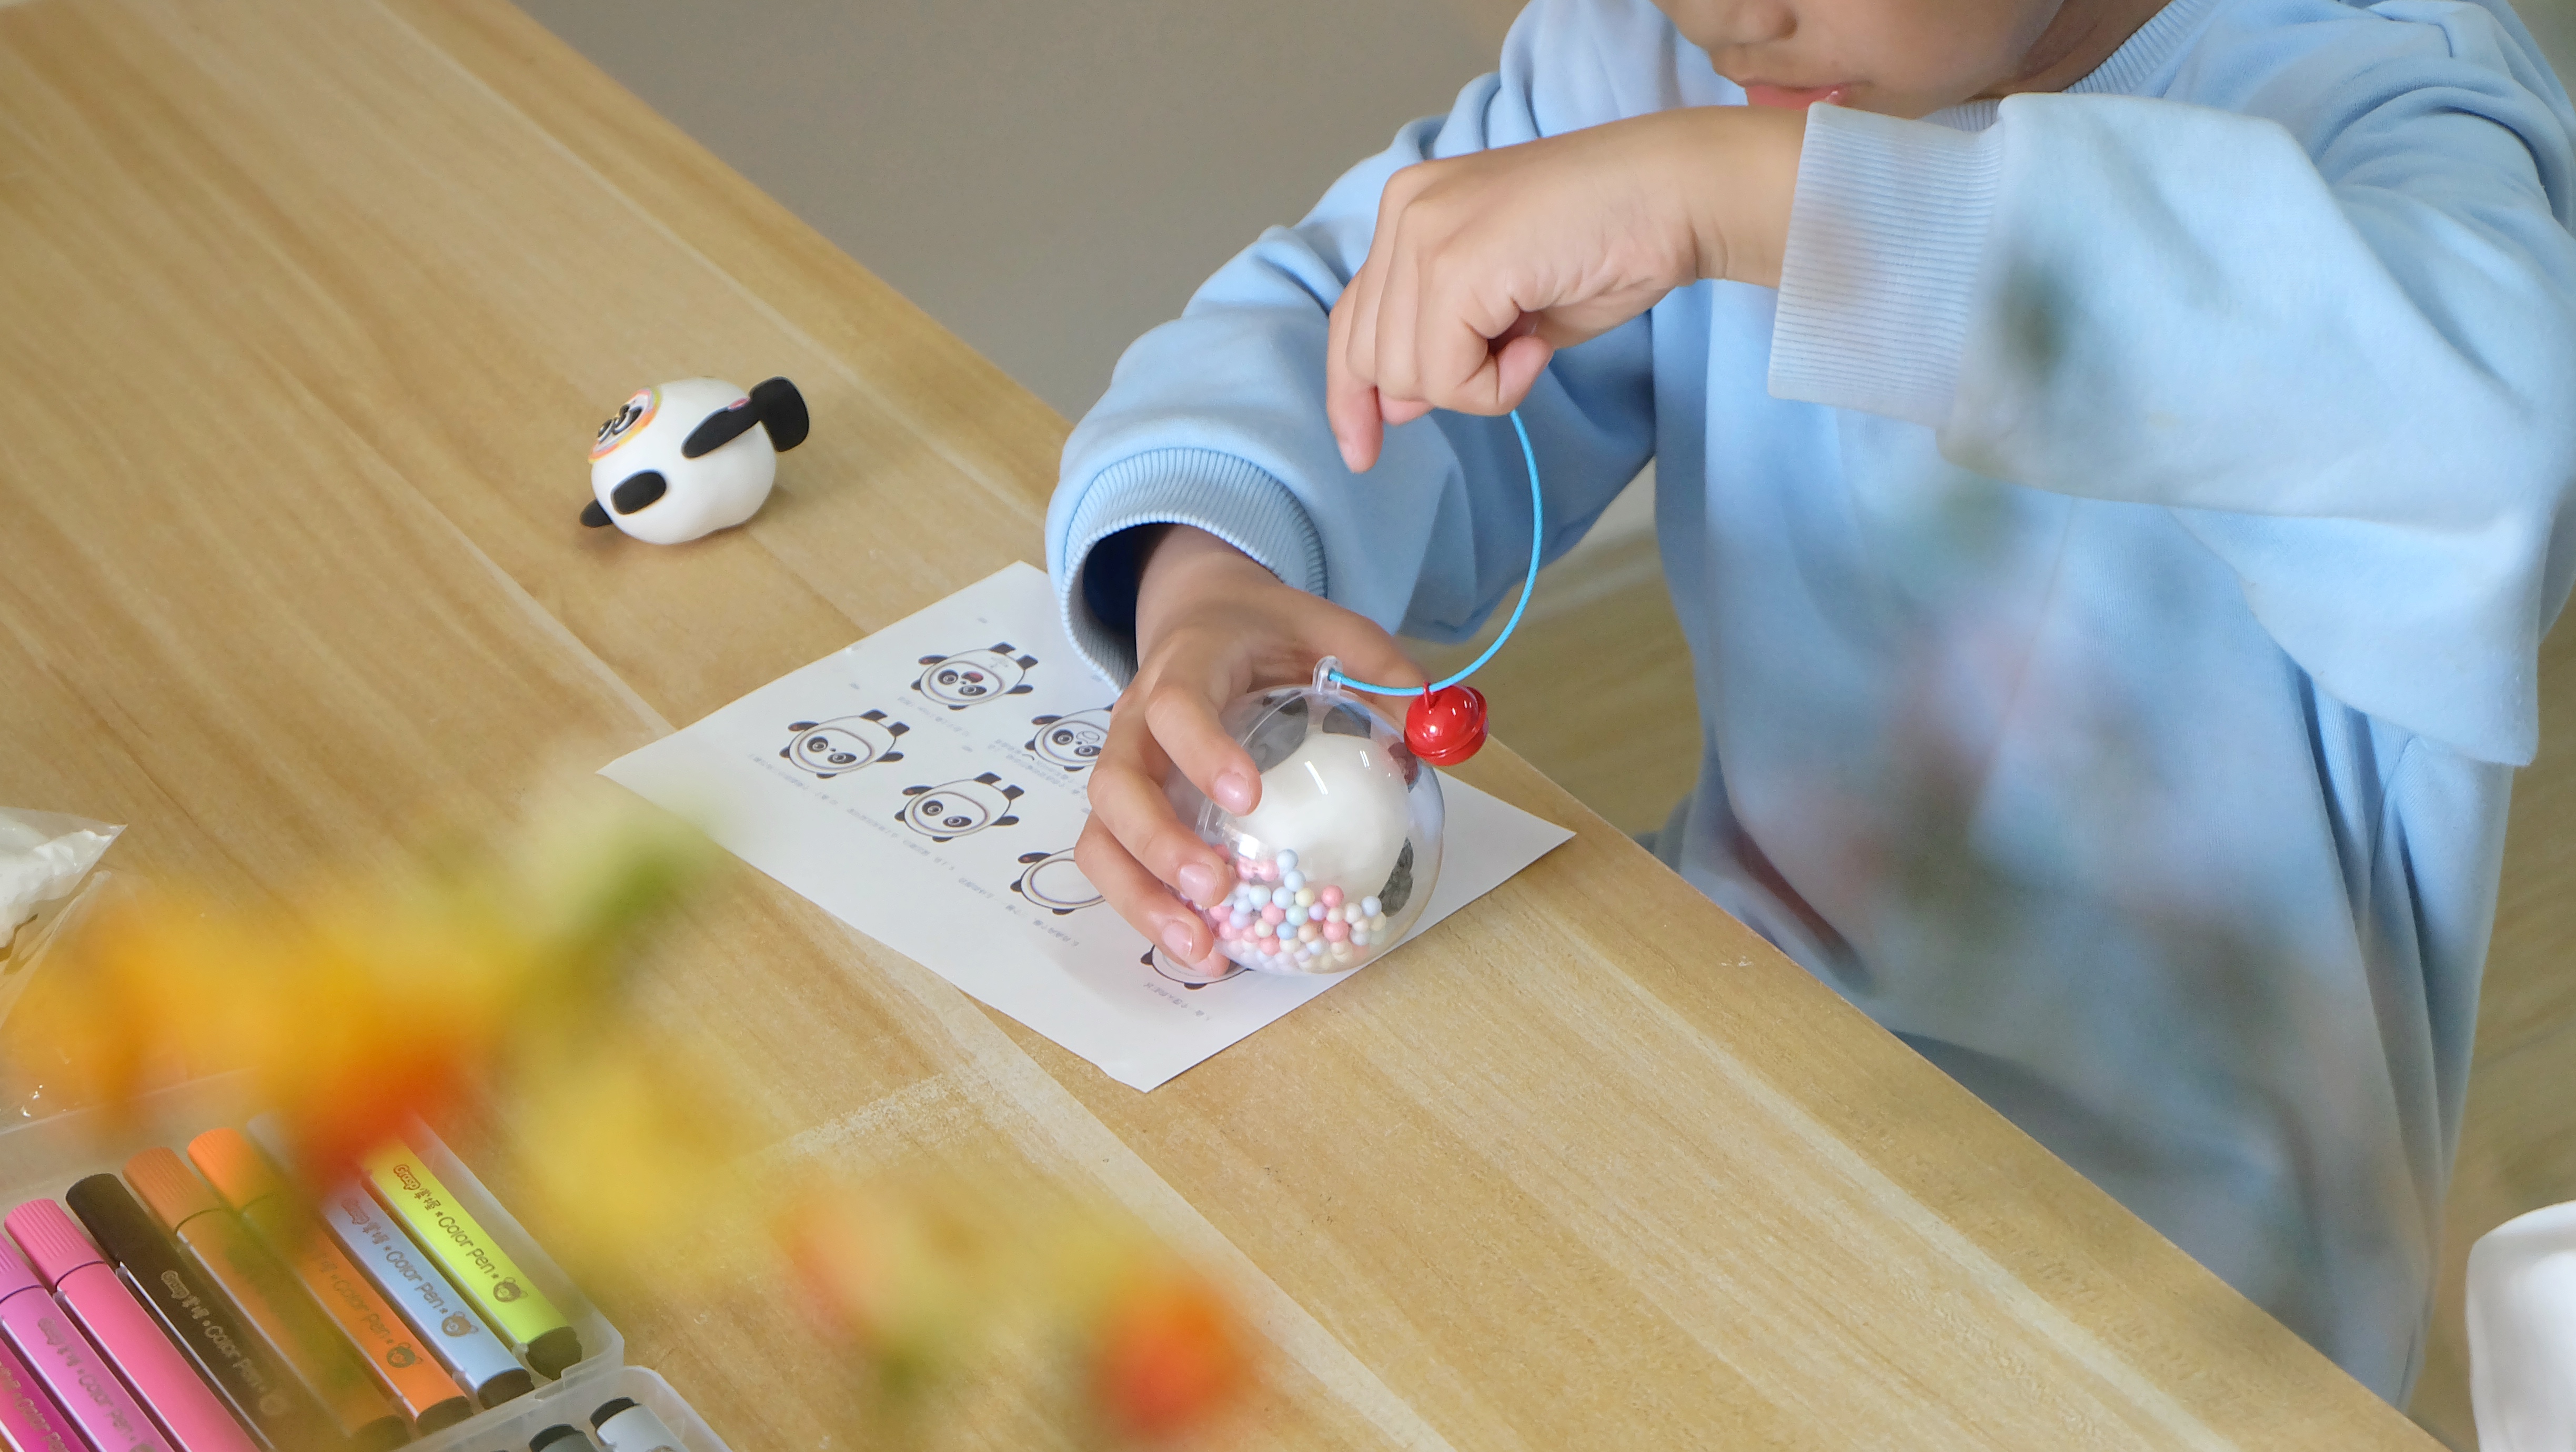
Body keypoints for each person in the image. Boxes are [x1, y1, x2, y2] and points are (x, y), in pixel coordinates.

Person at [1044, 0, 2576, 1401]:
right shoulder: (1673, 61)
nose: (1729, 18)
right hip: (1728, 1067)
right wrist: (1213, 574)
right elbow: (1347, 324)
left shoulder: (2385, 99)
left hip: (2178, 1281)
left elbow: (2476, 435)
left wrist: (1753, 205)